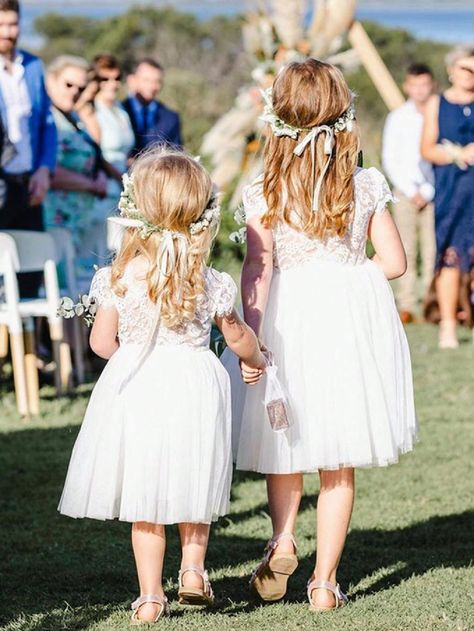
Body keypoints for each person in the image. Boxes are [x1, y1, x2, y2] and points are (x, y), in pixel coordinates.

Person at [228, 59, 416, 611]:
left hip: (286, 319)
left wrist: (254, 338)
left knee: (283, 441)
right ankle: (324, 583)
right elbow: (397, 263)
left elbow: (256, 270)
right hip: (346, 324)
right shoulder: (362, 182)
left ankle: (283, 538)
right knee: (339, 456)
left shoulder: (264, 187)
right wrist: (346, 281)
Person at [58, 149, 266, 623]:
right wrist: (256, 357)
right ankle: (193, 571)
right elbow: (235, 335)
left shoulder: (117, 277)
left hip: (142, 386)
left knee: (145, 495)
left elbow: (101, 342)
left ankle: (150, 596)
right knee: (195, 479)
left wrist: (132, 357)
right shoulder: (210, 279)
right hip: (194, 382)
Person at [43, 55, 118, 287]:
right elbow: (48, 170)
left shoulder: (74, 118)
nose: (74, 91)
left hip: (80, 223)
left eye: (81, 87)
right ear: (50, 81)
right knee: (60, 292)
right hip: (55, 222)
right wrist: (90, 185)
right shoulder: (46, 119)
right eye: (68, 84)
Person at [0, 0, 57, 296]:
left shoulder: (33, 66)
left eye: (12, 24)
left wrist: (45, 169)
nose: (7, 32)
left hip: (29, 181)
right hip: (1, 183)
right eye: (1, 25)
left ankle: (30, 343)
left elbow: (47, 123)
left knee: (30, 274)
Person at [421, 45, 474, 349]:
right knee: (451, 257)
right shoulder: (436, 104)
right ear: (452, 70)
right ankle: (448, 325)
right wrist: (457, 154)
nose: (469, 75)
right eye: (465, 68)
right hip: (453, 189)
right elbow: (426, 148)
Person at [382, 63, 436, 324]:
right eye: (415, 85)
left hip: (434, 191)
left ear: (431, 85)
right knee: (405, 248)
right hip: (405, 191)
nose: (420, 90)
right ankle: (406, 303)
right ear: (407, 86)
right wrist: (411, 189)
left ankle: (430, 300)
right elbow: (390, 158)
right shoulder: (398, 117)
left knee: (432, 247)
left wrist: (427, 190)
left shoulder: (437, 114)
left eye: (425, 85)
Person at [91, 53, 135, 258]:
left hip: (124, 185)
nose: (112, 84)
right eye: (105, 79)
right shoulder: (92, 110)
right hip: (104, 183)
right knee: (104, 247)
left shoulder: (120, 109)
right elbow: (97, 152)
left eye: (116, 78)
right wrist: (120, 178)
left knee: (121, 245)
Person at [123, 58, 182, 156]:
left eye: (157, 81)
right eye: (146, 80)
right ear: (132, 80)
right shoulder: (119, 111)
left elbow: (176, 154)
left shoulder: (171, 118)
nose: (152, 86)